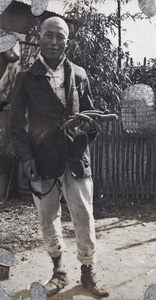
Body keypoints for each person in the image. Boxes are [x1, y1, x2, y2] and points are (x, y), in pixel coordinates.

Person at [9, 16, 109, 297]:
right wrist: (26, 157)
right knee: (47, 217)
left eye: (60, 37)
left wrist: (90, 126)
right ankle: (59, 272)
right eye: (49, 35)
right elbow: (15, 125)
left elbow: (91, 116)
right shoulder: (25, 78)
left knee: (83, 216)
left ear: (67, 41)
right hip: (41, 160)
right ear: (40, 37)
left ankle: (88, 273)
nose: (54, 42)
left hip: (76, 158)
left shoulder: (79, 74)